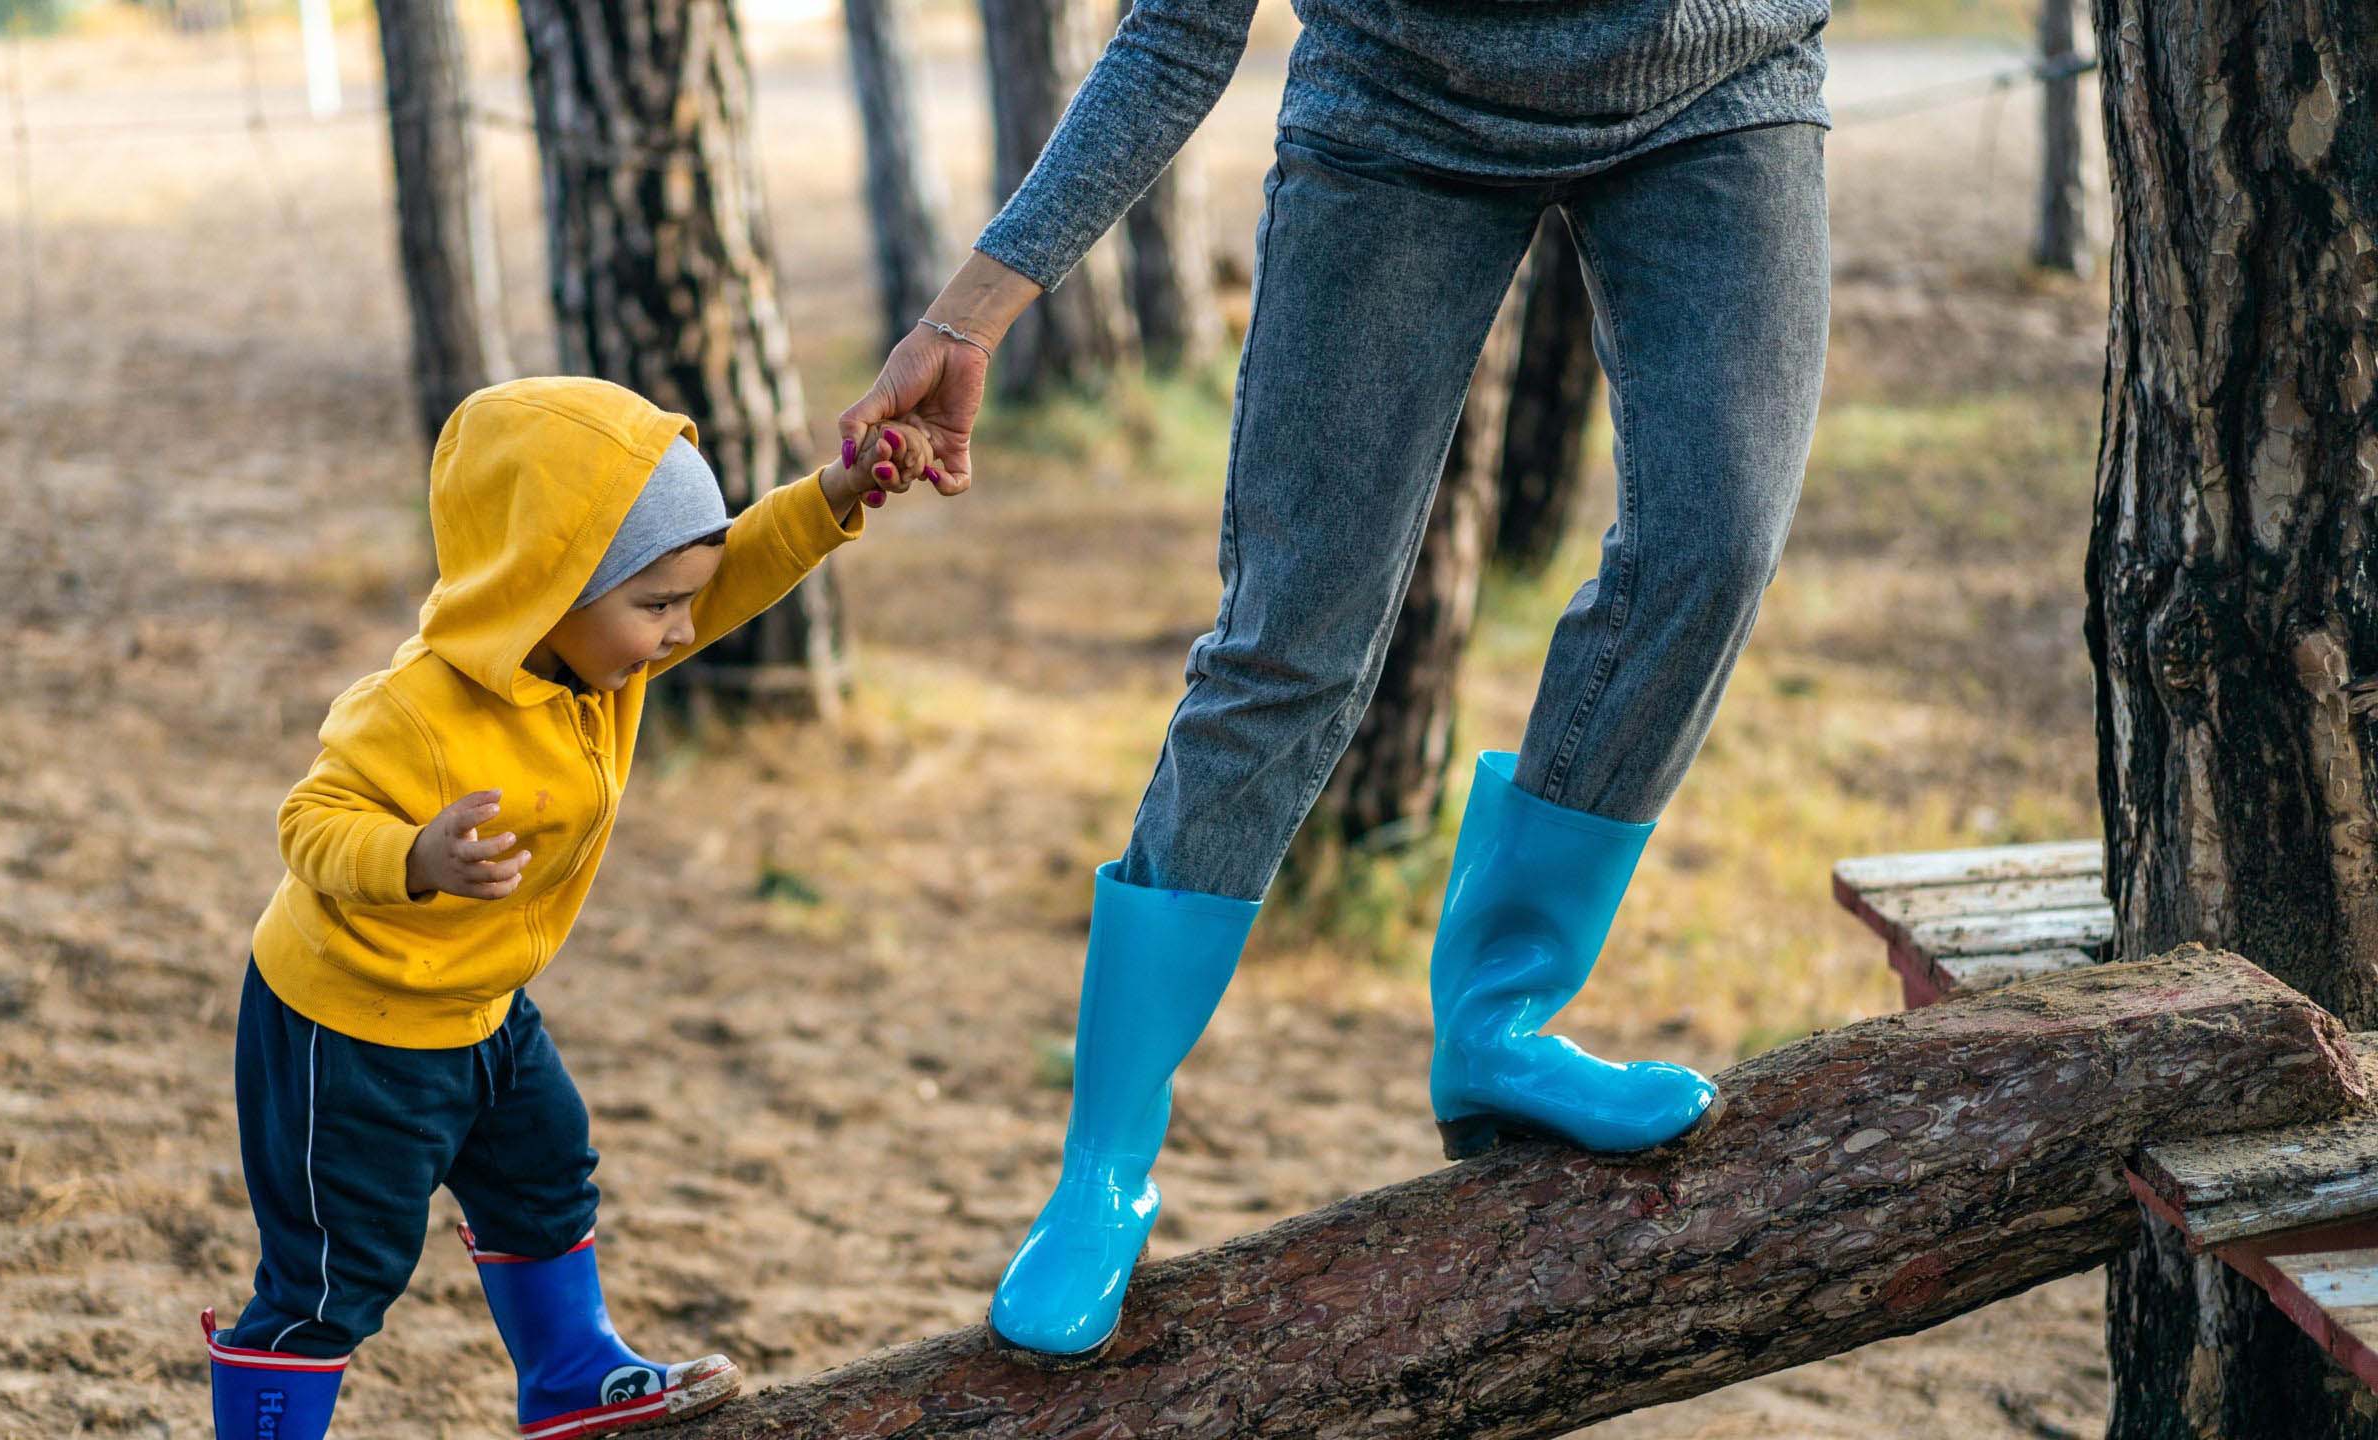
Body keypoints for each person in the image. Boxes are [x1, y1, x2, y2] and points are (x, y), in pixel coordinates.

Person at [842, 0, 1834, 1362]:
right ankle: (1105, 1169)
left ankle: (1500, 1022)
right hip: (1402, 106)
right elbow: (1179, 28)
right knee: (1288, 643)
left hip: (1722, 82)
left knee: (1713, 552)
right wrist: (977, 307)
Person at [203, 375, 940, 1437]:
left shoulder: (607, 656)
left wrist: (834, 495)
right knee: (336, 1273)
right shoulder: (413, 710)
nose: (683, 629)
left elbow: (734, 570)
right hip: (352, 1029)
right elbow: (307, 823)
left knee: (547, 1172)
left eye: (684, 600)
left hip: (487, 1004)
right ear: (544, 590)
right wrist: (412, 854)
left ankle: (566, 1371)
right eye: (656, 606)